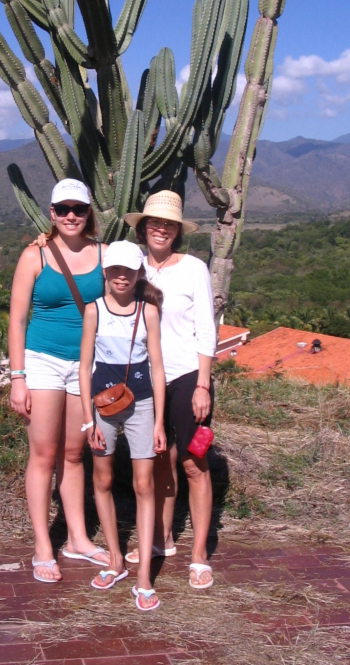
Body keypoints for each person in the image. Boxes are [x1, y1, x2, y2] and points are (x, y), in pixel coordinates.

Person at [8, 178, 110, 583]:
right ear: (51, 213)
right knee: (44, 454)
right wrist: (18, 378)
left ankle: (78, 539)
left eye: (78, 209)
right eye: (63, 209)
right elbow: (17, 320)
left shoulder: (105, 254)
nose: (71, 216)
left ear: (89, 213)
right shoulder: (34, 256)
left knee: (73, 453)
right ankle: (42, 546)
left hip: (86, 366)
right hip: (43, 361)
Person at [123, 190, 217, 591]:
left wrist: (203, 384)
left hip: (187, 376)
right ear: (143, 227)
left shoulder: (194, 268)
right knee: (160, 458)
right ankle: (161, 539)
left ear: (177, 231)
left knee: (195, 463)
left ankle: (199, 554)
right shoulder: (133, 267)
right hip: (147, 379)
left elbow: (207, 327)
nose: (160, 229)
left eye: (168, 224)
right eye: (154, 223)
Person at [79, 240, 167, 611]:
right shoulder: (94, 310)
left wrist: (159, 421)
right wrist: (88, 421)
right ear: (105, 272)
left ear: (138, 274)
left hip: (141, 402)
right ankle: (115, 559)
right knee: (102, 480)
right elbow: (85, 367)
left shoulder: (148, 312)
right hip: (102, 405)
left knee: (144, 484)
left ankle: (144, 575)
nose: (121, 277)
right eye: (114, 269)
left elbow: (158, 368)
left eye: (128, 271)